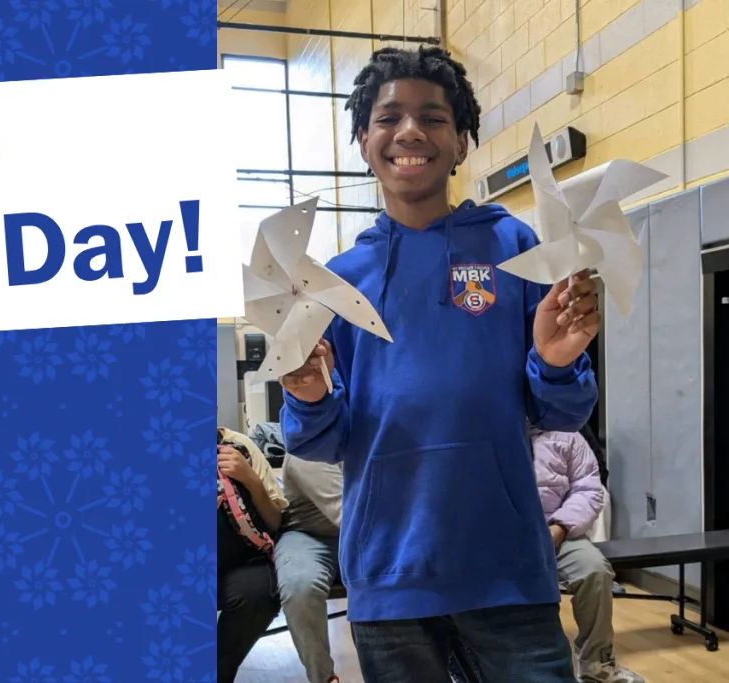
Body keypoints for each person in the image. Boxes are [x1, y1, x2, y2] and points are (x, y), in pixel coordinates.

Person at [278, 45, 601, 683]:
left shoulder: (515, 247)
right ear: (363, 140)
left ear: (461, 142)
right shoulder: (338, 282)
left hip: (507, 567)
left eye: (433, 117)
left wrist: (557, 362)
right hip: (389, 573)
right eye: (388, 117)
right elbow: (319, 441)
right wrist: (310, 395)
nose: (409, 132)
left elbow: (564, 410)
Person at [532, 427, 645, 683]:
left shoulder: (567, 434)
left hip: (557, 531)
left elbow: (588, 489)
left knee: (594, 569)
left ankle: (597, 664)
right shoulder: (488, 427)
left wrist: (559, 528)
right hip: (500, 537)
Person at [217, 426, 289, 683]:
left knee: (259, 592)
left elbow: (274, 522)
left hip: (240, 561)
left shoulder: (241, 447)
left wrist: (250, 479)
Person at [273, 453, 344, 683]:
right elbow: (347, 513)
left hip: (357, 532)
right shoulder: (308, 446)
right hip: (308, 533)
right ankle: (323, 678)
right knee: (300, 587)